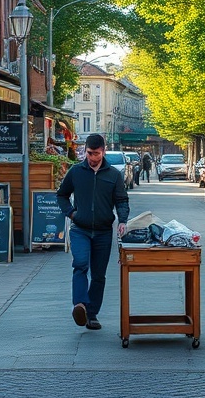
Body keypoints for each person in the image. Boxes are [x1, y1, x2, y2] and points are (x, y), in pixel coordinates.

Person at [55, 133, 129, 331]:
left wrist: (123, 221)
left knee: (98, 275)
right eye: (89, 153)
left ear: (103, 152)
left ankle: (92, 314)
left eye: (96, 154)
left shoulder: (114, 175)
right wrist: (71, 213)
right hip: (80, 228)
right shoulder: (76, 172)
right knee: (80, 265)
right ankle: (79, 305)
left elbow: (121, 200)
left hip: (104, 231)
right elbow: (62, 195)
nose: (92, 157)